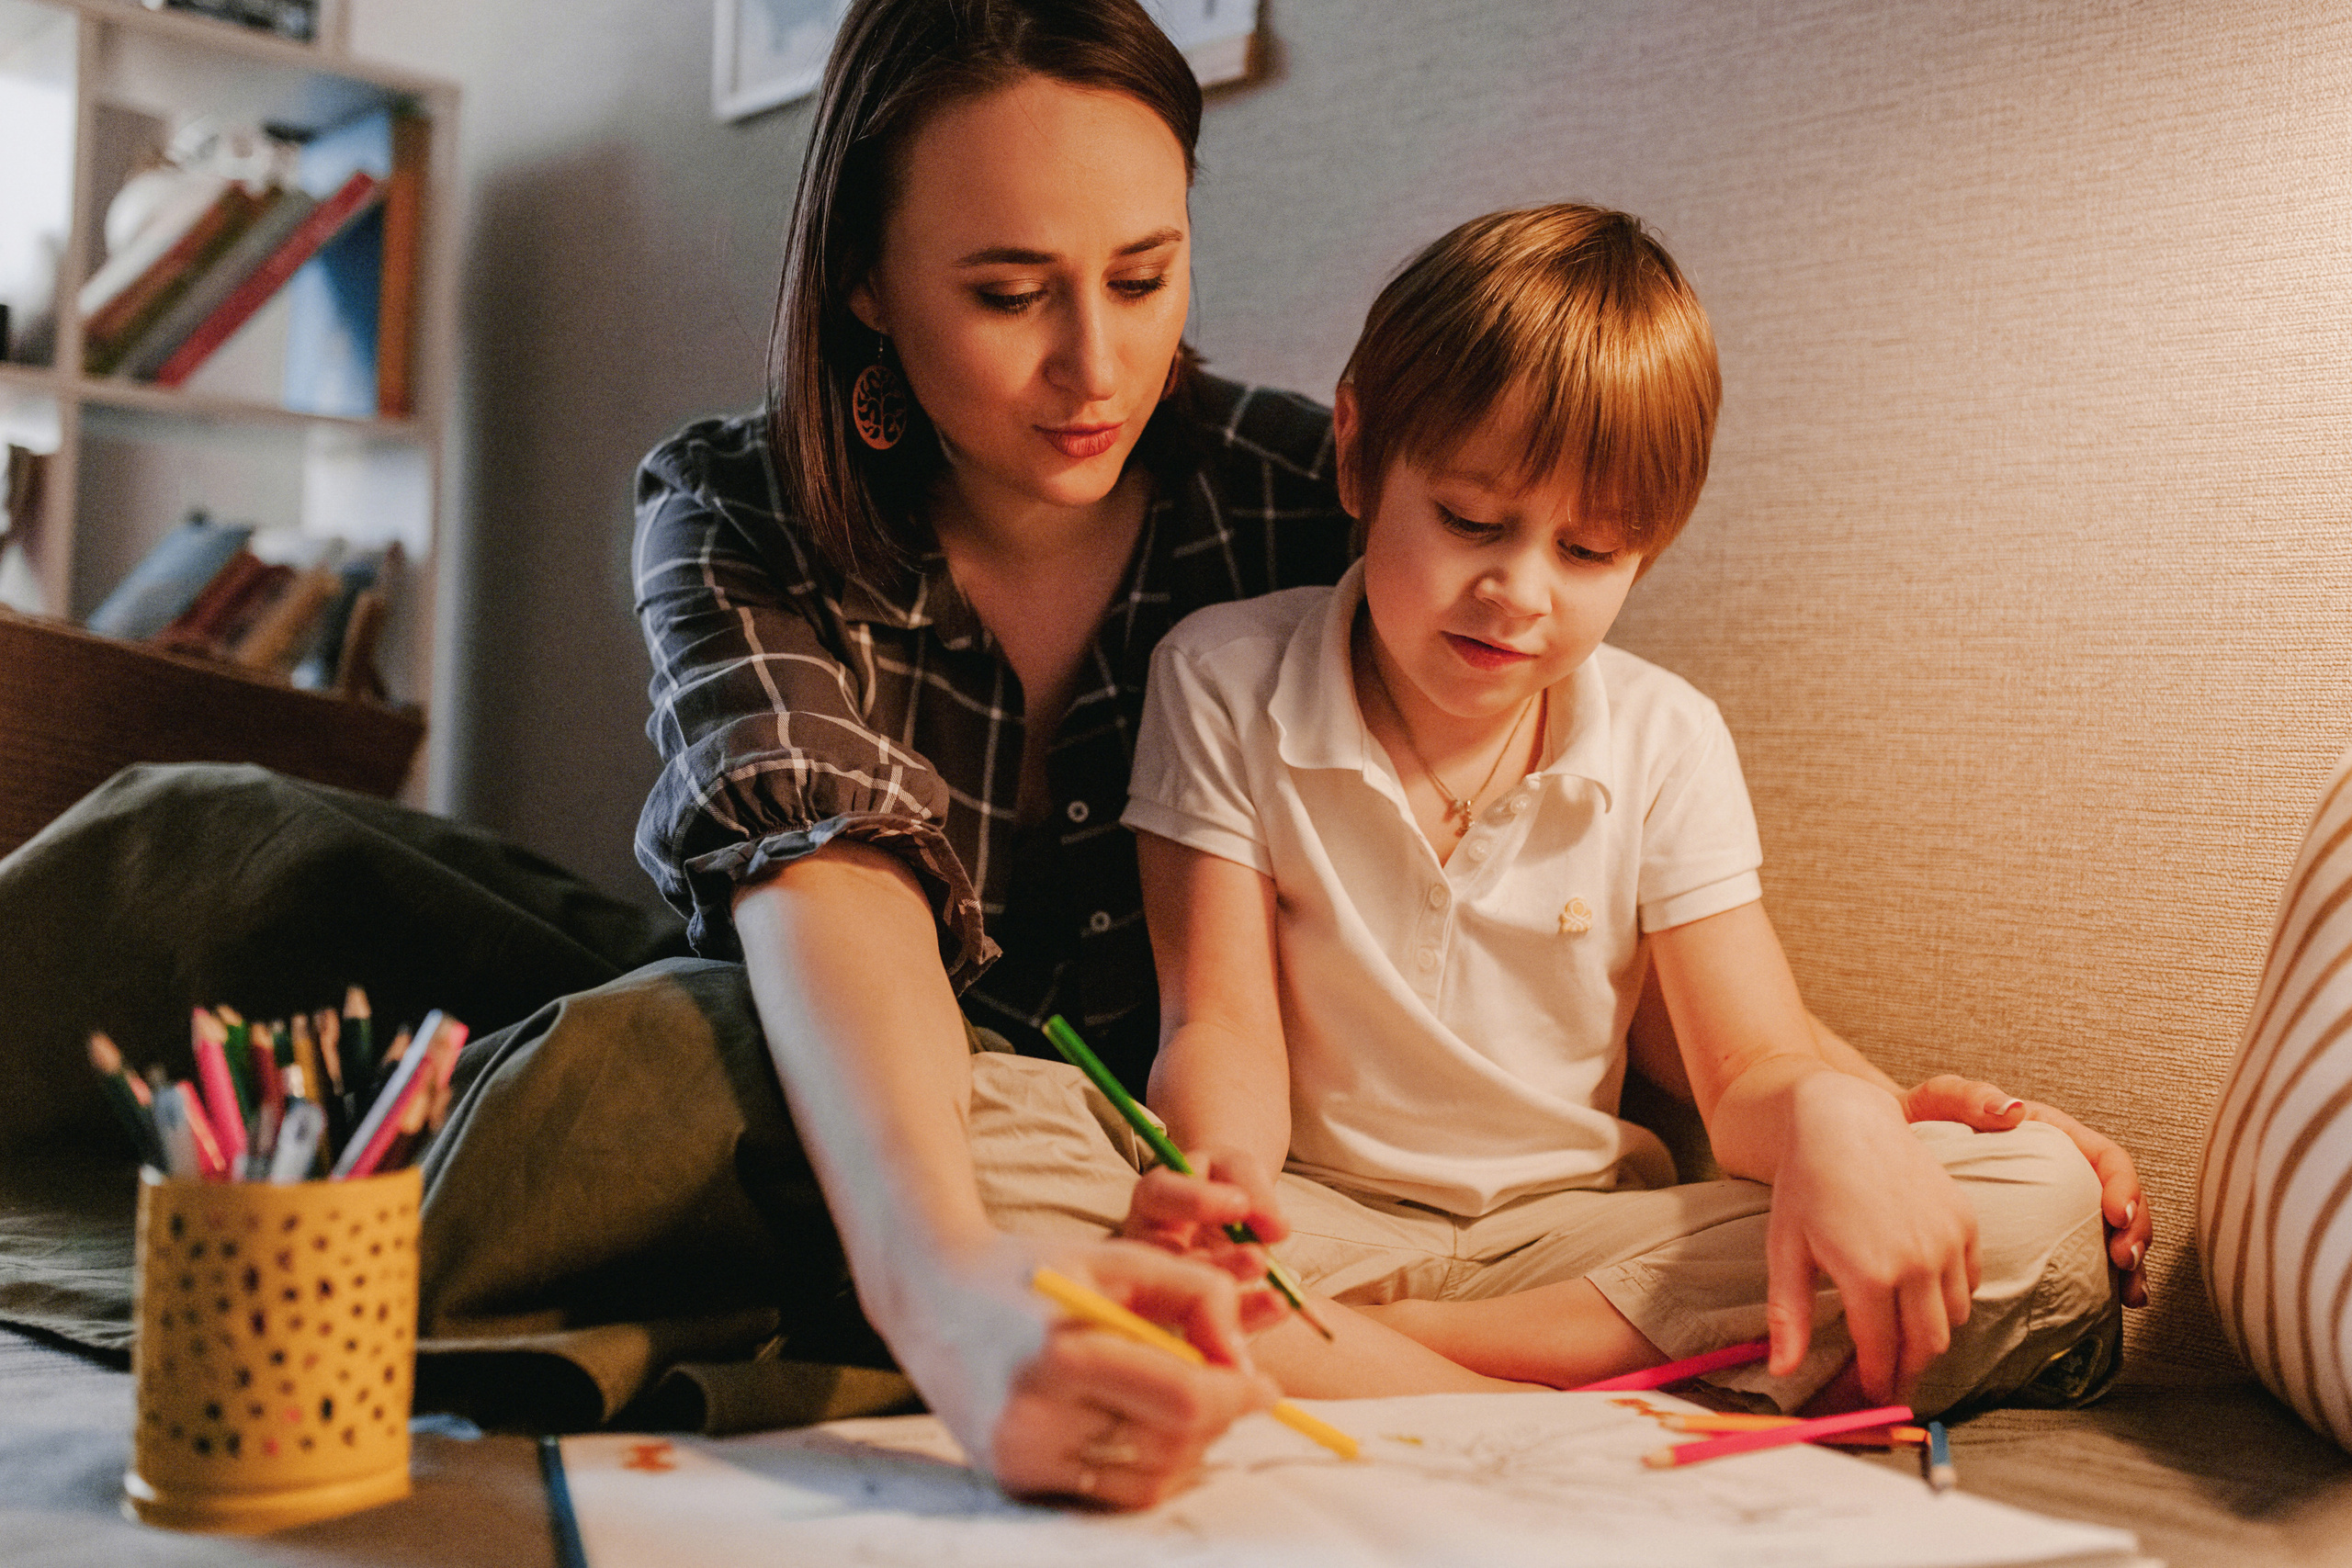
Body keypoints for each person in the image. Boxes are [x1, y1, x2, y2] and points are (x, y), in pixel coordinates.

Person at [1078, 205, 2135, 1415]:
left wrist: (1844, 1114)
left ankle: (1392, 1360)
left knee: (2038, 1198)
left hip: (1573, 1249)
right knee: (997, 1136)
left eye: (1588, 553)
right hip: (1318, 1223)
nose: (1518, 590)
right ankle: (1507, 1375)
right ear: (1359, 454)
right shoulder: (1221, 678)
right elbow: (1218, 1026)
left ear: (1651, 548)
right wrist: (1221, 1194)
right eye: (1471, 522)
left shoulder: (1664, 736)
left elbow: (1750, 1070)